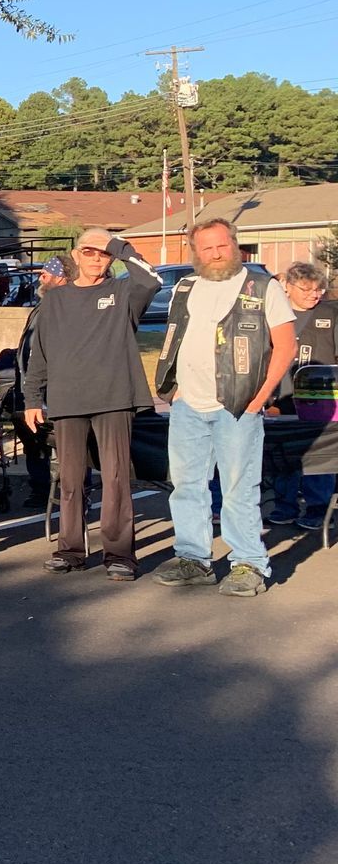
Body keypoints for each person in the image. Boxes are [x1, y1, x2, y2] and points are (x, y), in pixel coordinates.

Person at [152, 219, 295, 597]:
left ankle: (249, 563)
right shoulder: (186, 286)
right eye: (206, 248)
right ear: (195, 252)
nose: (215, 254)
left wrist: (260, 398)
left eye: (222, 246)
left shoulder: (263, 287)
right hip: (187, 405)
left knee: (238, 488)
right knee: (186, 486)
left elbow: (285, 346)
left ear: (235, 245)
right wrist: (176, 389)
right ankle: (194, 559)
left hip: (238, 406)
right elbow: (177, 336)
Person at [22, 229, 162, 579]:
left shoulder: (122, 292)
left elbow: (151, 278)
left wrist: (117, 245)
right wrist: (32, 398)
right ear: (76, 255)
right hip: (68, 399)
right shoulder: (55, 299)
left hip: (114, 397)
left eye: (103, 254)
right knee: (70, 479)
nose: (96, 259)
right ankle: (70, 550)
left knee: (115, 479)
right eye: (89, 252)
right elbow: (41, 353)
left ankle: (119, 555)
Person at [269, 261, 338, 527]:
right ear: (288, 287)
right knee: (284, 455)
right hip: (282, 398)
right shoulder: (276, 314)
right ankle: (284, 506)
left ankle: (318, 509)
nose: (314, 294)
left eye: (319, 289)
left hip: (322, 401)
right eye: (307, 289)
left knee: (319, 456)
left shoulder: (330, 313)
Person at [12, 256, 67, 506]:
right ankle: (40, 488)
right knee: (35, 442)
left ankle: (68, 491)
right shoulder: (41, 306)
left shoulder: (64, 306)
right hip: (33, 389)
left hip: (57, 391)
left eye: (46, 273)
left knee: (64, 445)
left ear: (61, 277)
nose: (41, 277)